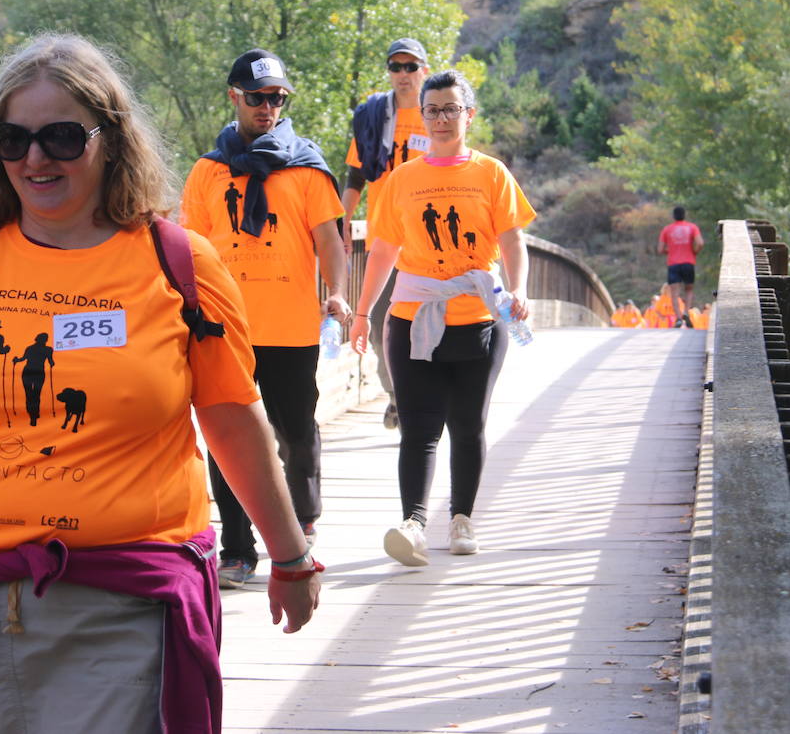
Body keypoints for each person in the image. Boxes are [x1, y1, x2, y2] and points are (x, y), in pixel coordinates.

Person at [0, 35, 320, 734]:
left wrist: (291, 556)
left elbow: (233, 420)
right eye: (12, 138)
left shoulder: (179, 265)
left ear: (110, 139)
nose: (34, 158)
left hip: (119, 614)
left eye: (60, 137)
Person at [349, 69, 535, 566]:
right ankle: (412, 524)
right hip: (413, 316)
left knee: (468, 423)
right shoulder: (403, 179)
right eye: (432, 110)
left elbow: (513, 238)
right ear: (422, 116)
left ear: (469, 115)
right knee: (418, 425)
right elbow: (382, 250)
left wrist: (517, 289)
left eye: (451, 109)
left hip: (477, 316)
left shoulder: (491, 174)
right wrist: (363, 311)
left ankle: (461, 519)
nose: (441, 119)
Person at [181, 49, 349, 589]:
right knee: (226, 438)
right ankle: (236, 547)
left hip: (292, 326)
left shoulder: (306, 167)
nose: (268, 108)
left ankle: (301, 517)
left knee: (296, 431)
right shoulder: (208, 171)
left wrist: (338, 295)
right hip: (225, 327)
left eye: (277, 98)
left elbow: (330, 241)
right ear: (234, 97)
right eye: (257, 97)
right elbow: (190, 247)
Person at [341, 38, 432, 430]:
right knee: (382, 330)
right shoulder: (375, 116)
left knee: (429, 331)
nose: (403, 74)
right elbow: (355, 175)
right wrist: (341, 221)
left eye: (411, 67)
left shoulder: (436, 115)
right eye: (396, 66)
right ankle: (397, 398)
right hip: (385, 242)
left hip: (429, 247)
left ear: (424, 71)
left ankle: (425, 401)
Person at [657, 205, 703, 312]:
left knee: (674, 292)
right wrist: (694, 251)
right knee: (689, 289)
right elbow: (700, 243)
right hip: (688, 262)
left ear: (673, 216)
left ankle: (678, 317)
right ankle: (686, 312)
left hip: (673, 264)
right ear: (684, 215)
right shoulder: (692, 227)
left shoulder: (667, 229)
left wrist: (669, 251)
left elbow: (660, 249)